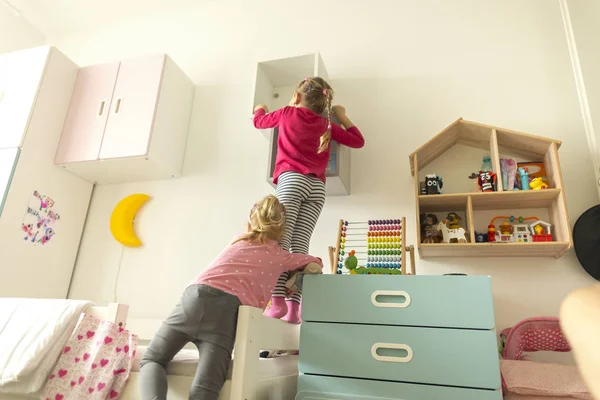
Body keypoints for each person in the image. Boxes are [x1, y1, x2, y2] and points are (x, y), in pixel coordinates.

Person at [139, 195, 322, 400]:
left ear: (251, 221)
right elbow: (314, 262)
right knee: (206, 387)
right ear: (282, 232)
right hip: (226, 311)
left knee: (153, 359)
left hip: (194, 297)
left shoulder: (238, 240)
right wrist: (294, 274)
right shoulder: (280, 256)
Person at [253, 77, 364, 323]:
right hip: (317, 188)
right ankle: (294, 309)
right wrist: (342, 115)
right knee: (300, 247)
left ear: (296, 96)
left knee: (280, 244)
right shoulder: (326, 124)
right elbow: (358, 141)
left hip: (292, 181)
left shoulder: (286, 113)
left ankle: (278, 301)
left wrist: (260, 107)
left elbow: (258, 122)